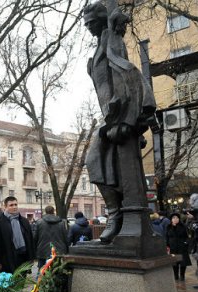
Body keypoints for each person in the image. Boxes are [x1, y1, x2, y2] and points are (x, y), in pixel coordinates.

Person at [83, 1, 156, 243]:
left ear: (102, 20)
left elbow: (126, 75)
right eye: (87, 25)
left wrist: (128, 119)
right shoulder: (98, 47)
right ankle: (115, 215)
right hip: (109, 118)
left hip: (120, 117)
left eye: (92, 23)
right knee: (97, 163)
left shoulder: (112, 40)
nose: (89, 28)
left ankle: (119, 217)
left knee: (98, 161)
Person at [0, 196, 34, 274]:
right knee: (10, 284)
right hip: (7, 258)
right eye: (11, 205)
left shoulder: (24, 221)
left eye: (15, 204)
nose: (14, 207)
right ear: (5, 207)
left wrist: (31, 258)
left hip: (23, 256)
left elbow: (30, 240)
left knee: (22, 283)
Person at [166, 213, 191, 281]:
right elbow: (167, 237)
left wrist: (186, 243)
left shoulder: (183, 226)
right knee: (174, 262)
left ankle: (182, 275)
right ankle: (176, 275)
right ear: (171, 220)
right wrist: (167, 245)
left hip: (182, 246)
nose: (175, 219)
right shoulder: (168, 227)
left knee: (183, 262)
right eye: (173, 218)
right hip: (173, 247)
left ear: (179, 219)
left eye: (177, 218)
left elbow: (187, 236)